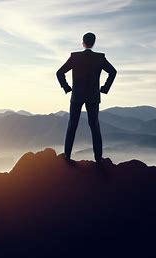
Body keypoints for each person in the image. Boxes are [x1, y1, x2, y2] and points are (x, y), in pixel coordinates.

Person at [56, 32, 117, 164]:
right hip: (93, 96)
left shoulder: (75, 57)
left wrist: (66, 88)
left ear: (83, 42)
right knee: (95, 126)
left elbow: (59, 72)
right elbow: (113, 72)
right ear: (93, 43)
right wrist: (105, 88)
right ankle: (98, 158)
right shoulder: (100, 58)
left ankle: (67, 156)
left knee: (72, 125)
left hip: (77, 95)